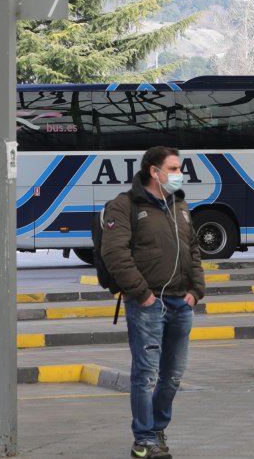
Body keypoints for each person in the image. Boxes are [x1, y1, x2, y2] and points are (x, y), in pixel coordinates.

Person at [102, 146, 206, 459]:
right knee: (145, 375)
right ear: (154, 171)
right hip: (148, 304)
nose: (179, 174)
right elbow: (115, 254)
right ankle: (143, 439)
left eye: (179, 168)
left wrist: (196, 290)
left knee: (173, 376)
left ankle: (158, 428)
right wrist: (143, 294)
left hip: (180, 303)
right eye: (173, 168)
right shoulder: (124, 206)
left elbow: (194, 249)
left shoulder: (180, 204)